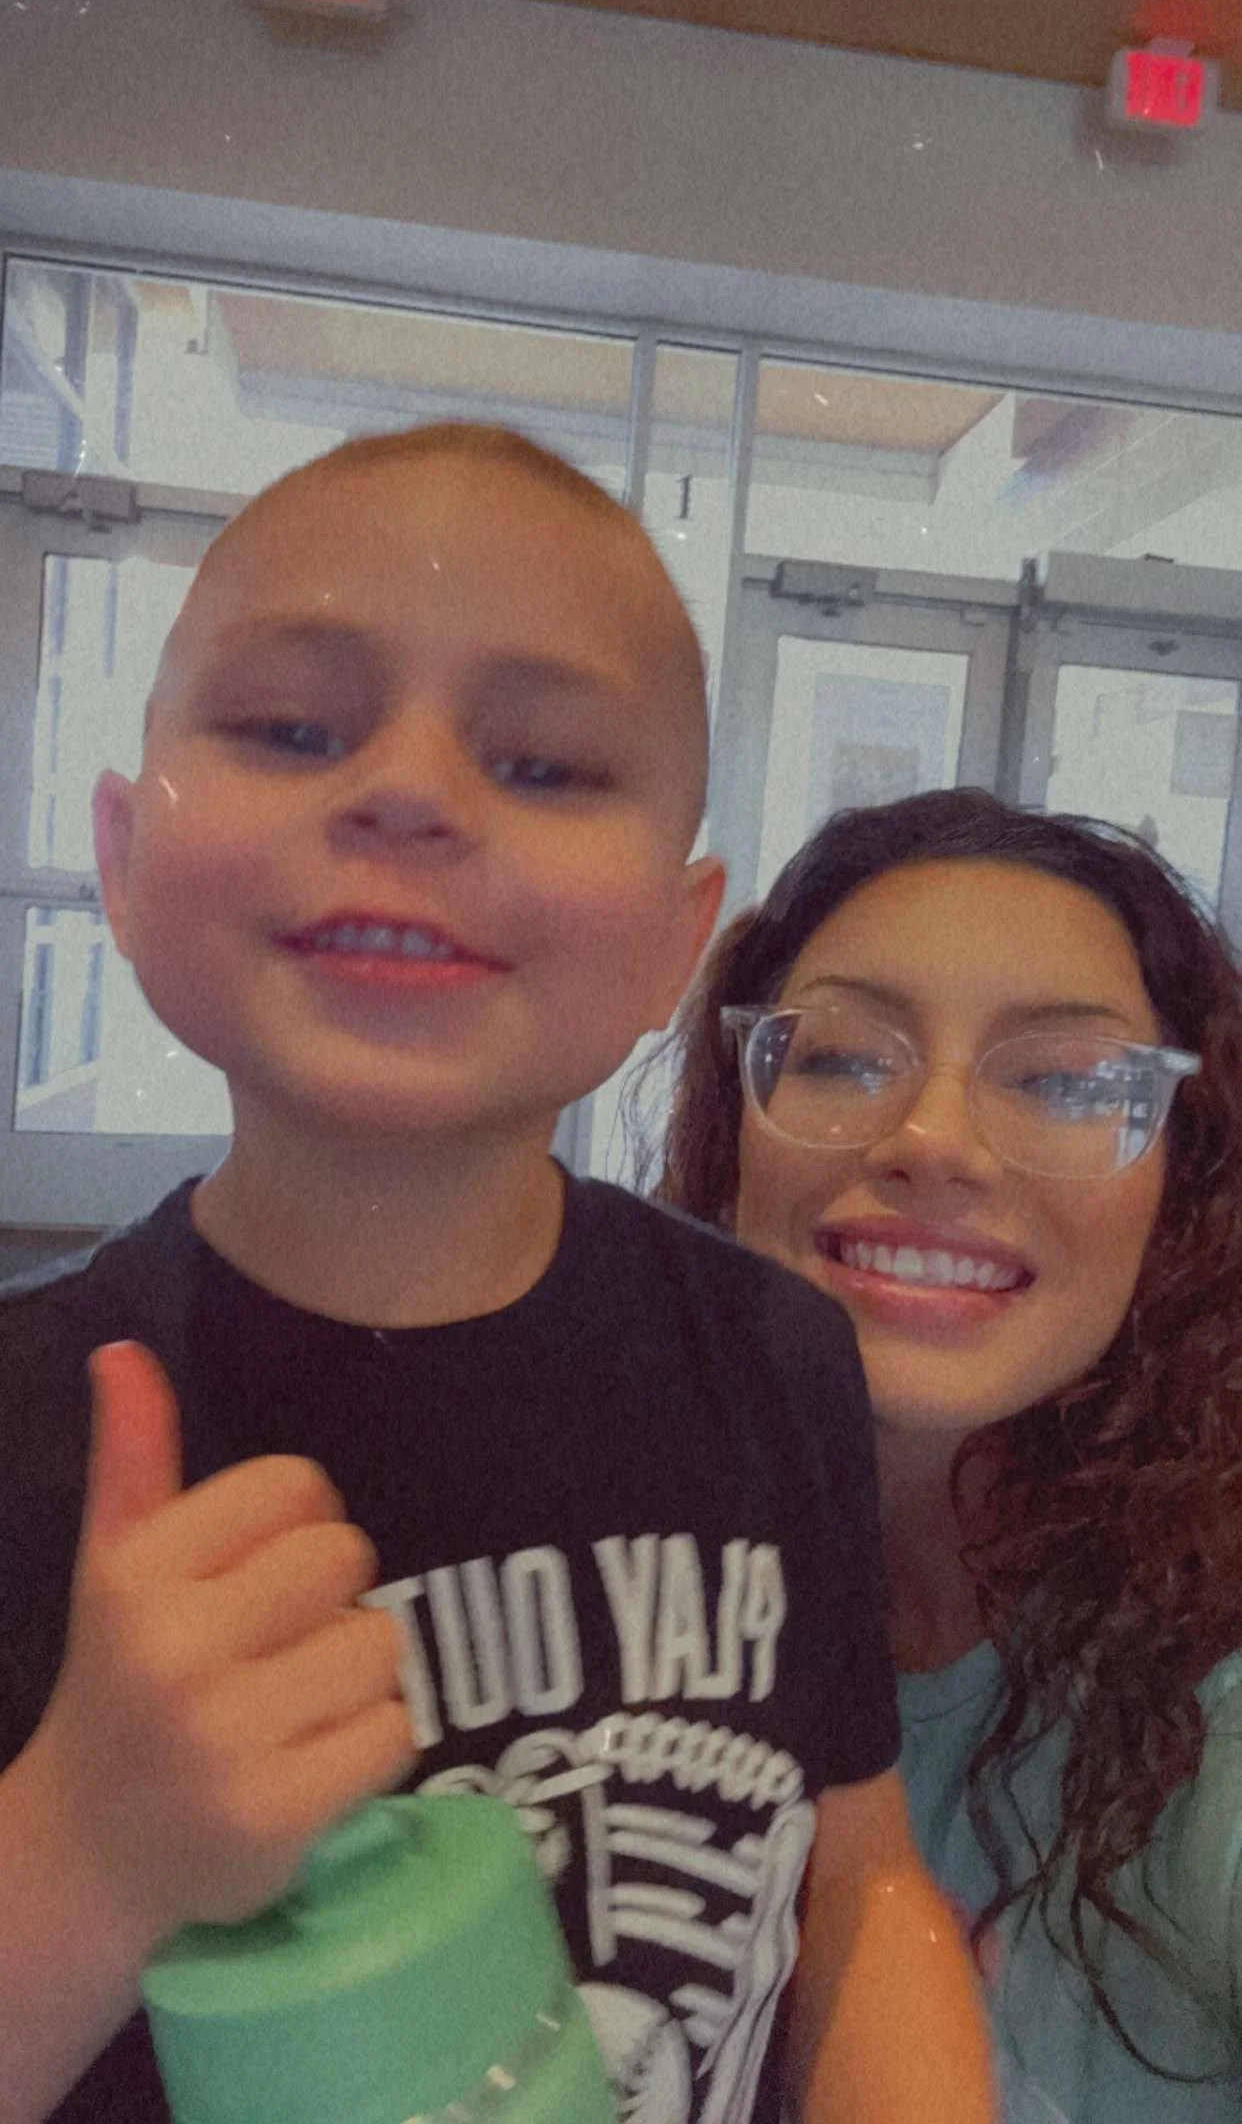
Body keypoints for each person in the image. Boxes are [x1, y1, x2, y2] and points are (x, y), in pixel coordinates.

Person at [0, 426, 994, 2124]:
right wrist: (83, 1853)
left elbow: (853, 1877)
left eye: (541, 764)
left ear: (681, 942)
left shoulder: (771, 1355)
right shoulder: (30, 1419)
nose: (404, 791)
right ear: (121, 851)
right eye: (292, 728)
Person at [637, 784, 1242, 2122]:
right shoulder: (607, 1604)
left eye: (1066, 1083)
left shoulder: (1209, 1704)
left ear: (1180, 1180)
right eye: (845, 1057)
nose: (930, 1140)